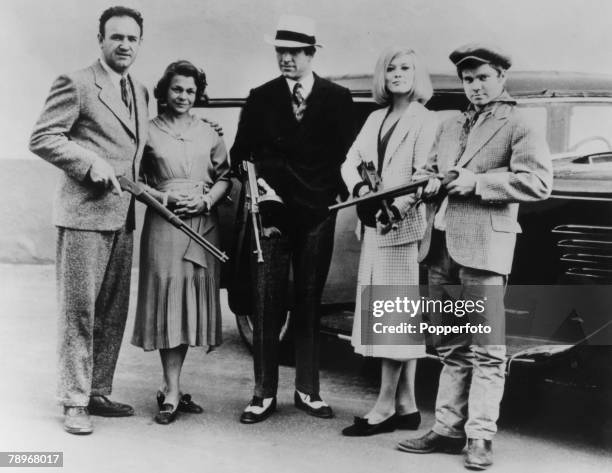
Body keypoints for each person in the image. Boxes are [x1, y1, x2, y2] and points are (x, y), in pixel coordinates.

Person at [396, 44, 553, 470]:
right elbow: (429, 170)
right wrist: (426, 182)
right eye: (468, 80)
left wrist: (478, 183)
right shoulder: (451, 125)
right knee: (450, 346)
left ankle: (480, 436)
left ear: (502, 77)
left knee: (487, 350)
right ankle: (446, 429)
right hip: (442, 246)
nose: (476, 87)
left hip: (484, 250)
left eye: (483, 77)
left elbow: (538, 182)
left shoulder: (519, 123)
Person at [29, 6, 148, 434]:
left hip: (123, 218)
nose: (124, 45)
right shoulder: (76, 83)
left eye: (132, 38)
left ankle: (97, 390)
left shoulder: (142, 91)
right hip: (83, 216)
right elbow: (42, 137)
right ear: (100, 39)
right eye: (116, 37)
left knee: (112, 312)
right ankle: (74, 401)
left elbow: (138, 150)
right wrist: (87, 162)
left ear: (139, 43)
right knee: (78, 312)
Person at [230, 14, 355, 423]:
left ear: (311, 54)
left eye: (294, 52)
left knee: (308, 300)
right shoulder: (261, 96)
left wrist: (334, 192)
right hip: (272, 213)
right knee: (267, 302)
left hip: (318, 212)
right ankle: (263, 393)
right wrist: (260, 185)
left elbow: (347, 157)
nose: (285, 59)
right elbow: (240, 154)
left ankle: (308, 390)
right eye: (280, 52)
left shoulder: (337, 98)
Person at [340, 46, 438, 437]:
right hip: (375, 225)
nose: (398, 74)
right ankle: (407, 406)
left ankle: (383, 407)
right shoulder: (374, 117)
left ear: (418, 74)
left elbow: (421, 175)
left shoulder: (425, 120)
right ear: (383, 76)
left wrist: (391, 207)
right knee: (395, 313)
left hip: (400, 227)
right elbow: (350, 161)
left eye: (406, 68)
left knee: (394, 316)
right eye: (392, 68)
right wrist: (364, 189)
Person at [131, 60, 231, 425]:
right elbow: (136, 181)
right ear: (164, 90)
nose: (183, 96)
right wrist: (169, 199)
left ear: (198, 94)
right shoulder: (147, 132)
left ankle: (171, 386)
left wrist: (206, 200)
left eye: (190, 90)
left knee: (189, 303)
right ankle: (172, 390)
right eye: (177, 89)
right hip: (165, 223)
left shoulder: (210, 132)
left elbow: (225, 177)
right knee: (170, 300)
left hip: (204, 225)